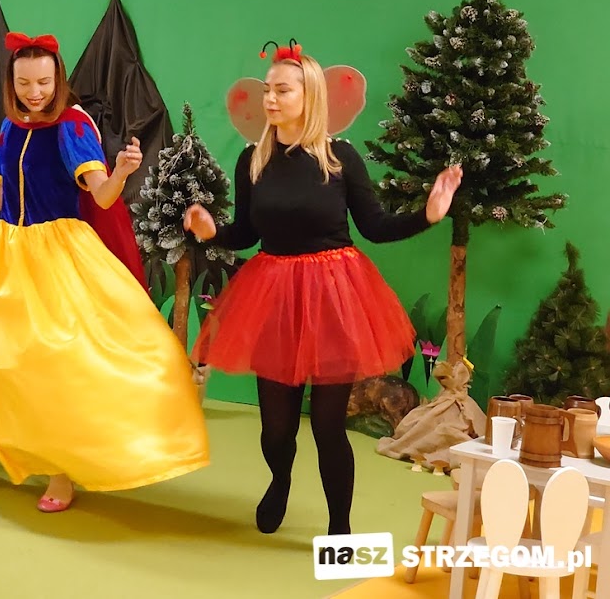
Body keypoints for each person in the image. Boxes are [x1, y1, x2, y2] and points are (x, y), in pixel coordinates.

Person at [0, 32, 209, 513]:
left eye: (44, 82)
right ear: (11, 82)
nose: (34, 92)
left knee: (54, 367)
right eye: (24, 82)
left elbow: (101, 195)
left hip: (58, 257)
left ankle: (60, 471)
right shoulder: (10, 129)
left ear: (58, 79)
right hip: (10, 254)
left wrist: (122, 171)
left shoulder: (72, 126)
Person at [183, 41, 462, 536]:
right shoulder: (252, 160)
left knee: (329, 427)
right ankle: (280, 479)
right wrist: (211, 232)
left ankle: (339, 528)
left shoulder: (340, 158)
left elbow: (375, 227)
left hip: (333, 296)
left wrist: (429, 214)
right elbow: (244, 233)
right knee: (276, 429)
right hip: (273, 296)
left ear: (309, 95)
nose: (270, 99)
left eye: (282, 90)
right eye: (267, 90)